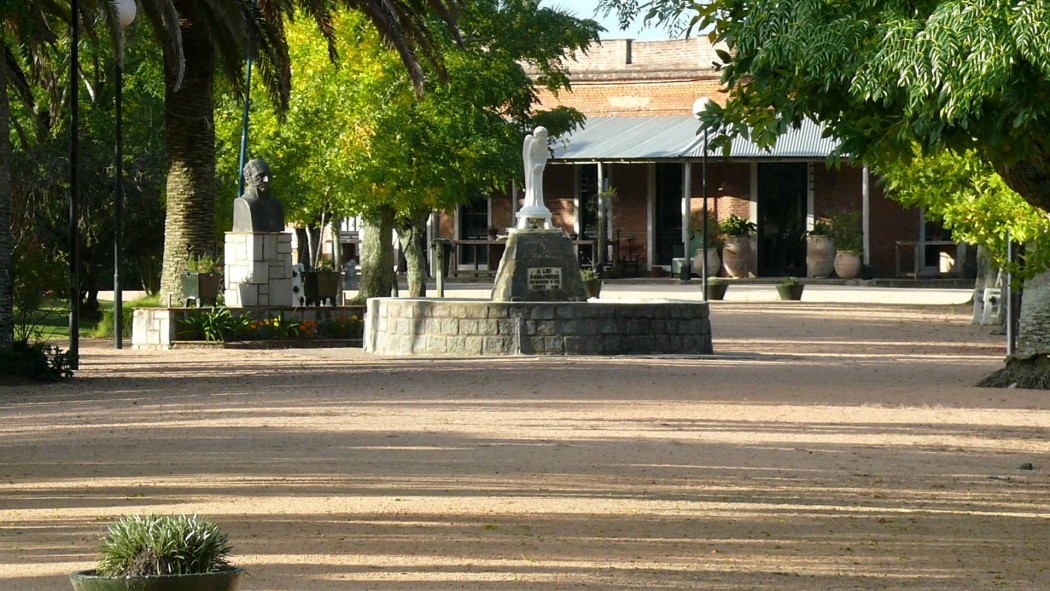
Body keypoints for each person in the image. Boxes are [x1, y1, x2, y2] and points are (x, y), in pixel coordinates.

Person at [232, 159, 285, 232]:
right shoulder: (243, 203)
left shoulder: (276, 205)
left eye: (268, 176)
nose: (266, 180)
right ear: (248, 179)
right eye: (260, 176)